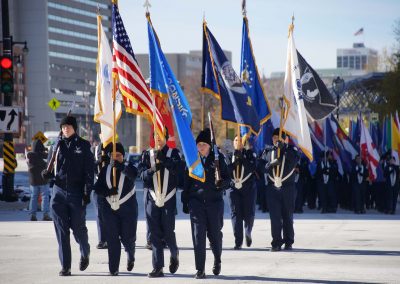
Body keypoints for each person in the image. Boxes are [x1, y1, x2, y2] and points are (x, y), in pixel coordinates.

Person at [42, 115, 94, 276]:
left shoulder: (84, 146)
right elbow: (50, 166)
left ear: (74, 128)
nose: (65, 129)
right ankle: (66, 266)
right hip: (58, 192)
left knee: (78, 229)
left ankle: (85, 251)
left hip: (76, 192)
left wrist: (87, 192)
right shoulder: (55, 146)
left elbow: (89, 172)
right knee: (61, 230)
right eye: (63, 127)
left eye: (68, 126)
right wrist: (46, 174)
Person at [182, 128, 230, 279]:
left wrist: (221, 183)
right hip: (196, 203)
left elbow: (229, 180)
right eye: (199, 144)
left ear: (209, 145)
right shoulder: (192, 160)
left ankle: (217, 258)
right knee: (198, 236)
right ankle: (200, 269)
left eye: (204, 144)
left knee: (215, 236)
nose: (201, 147)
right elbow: (187, 183)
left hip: (214, 203)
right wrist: (185, 200)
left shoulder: (218, 159)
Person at [141, 128, 181, 278]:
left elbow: (179, 172)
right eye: (155, 135)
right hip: (152, 198)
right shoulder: (147, 154)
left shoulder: (173, 153)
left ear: (165, 137)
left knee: (168, 232)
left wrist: (164, 160)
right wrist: (152, 169)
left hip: (168, 198)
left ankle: (174, 252)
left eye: (160, 135)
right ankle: (158, 267)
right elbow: (142, 176)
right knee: (155, 234)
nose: (157, 138)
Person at [94, 142, 138, 275]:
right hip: (110, 210)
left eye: (118, 155)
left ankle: (130, 255)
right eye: (112, 155)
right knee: (112, 239)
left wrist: (120, 166)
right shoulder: (105, 169)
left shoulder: (129, 167)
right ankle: (113, 268)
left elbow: (134, 175)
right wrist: (107, 192)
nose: (115, 158)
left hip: (127, 210)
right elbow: (97, 188)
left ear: (123, 156)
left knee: (127, 238)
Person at [263, 128, 300, 251]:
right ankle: (276, 242)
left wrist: (283, 148)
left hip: (287, 187)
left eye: (279, 138)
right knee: (275, 216)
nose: (276, 140)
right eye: (274, 138)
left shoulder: (291, 150)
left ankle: (288, 241)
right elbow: (261, 166)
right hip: (272, 188)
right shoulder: (268, 151)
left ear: (286, 139)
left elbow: (295, 160)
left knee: (287, 216)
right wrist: (269, 165)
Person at [228, 135, 257, 249]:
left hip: (248, 187)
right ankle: (238, 241)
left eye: (240, 140)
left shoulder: (250, 154)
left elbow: (252, 168)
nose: (238, 142)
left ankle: (248, 232)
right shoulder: (229, 155)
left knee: (249, 213)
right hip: (233, 189)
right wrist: (235, 162)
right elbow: (226, 170)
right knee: (236, 214)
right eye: (235, 140)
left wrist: (243, 159)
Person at [26, 139, 52, 221]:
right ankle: (45, 215)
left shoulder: (29, 156)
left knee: (33, 197)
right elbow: (48, 165)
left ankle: (32, 215)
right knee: (45, 197)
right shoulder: (44, 156)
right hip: (44, 180)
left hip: (33, 181)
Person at [92, 140, 111, 249]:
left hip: (111, 185)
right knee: (99, 213)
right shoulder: (93, 149)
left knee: (112, 213)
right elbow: (88, 166)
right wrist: (98, 162)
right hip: (98, 185)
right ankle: (102, 240)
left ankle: (112, 237)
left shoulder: (114, 147)